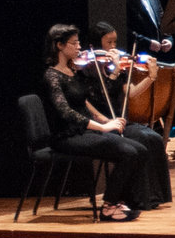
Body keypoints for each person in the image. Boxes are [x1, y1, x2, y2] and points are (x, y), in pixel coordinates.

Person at [41, 25, 158, 220]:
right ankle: (109, 207)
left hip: (85, 132)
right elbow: (66, 113)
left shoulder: (74, 71)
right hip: (67, 135)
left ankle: (117, 199)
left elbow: (94, 99)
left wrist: (105, 118)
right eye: (74, 43)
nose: (79, 47)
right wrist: (103, 127)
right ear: (59, 45)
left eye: (79, 42)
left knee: (140, 149)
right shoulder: (51, 76)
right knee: (128, 153)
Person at [79, 23, 173, 209]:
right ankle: (137, 198)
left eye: (115, 41)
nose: (113, 46)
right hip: (102, 124)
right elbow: (92, 100)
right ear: (97, 43)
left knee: (153, 137)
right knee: (141, 140)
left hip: (119, 120)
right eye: (109, 42)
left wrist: (151, 77)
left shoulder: (116, 67)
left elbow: (131, 92)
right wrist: (106, 121)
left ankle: (154, 197)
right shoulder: (87, 69)